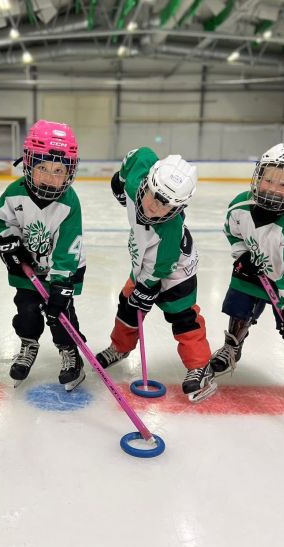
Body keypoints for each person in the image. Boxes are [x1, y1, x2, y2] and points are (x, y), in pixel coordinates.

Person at [95, 147, 215, 402]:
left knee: (182, 317)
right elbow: (141, 154)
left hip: (175, 272)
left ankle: (200, 366)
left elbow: (162, 267)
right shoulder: (135, 184)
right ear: (147, 182)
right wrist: (120, 178)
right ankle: (120, 347)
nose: (154, 206)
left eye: (166, 204)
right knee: (127, 305)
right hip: (144, 260)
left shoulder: (169, 230)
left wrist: (146, 288)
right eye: (153, 195)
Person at [209, 143, 284, 405]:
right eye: (268, 180)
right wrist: (242, 255)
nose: (272, 188)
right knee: (239, 306)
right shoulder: (240, 205)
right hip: (253, 271)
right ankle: (232, 345)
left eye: (283, 185)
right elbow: (232, 232)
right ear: (258, 176)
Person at [0, 119, 86, 391]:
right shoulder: (14, 193)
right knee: (27, 311)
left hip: (63, 269)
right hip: (27, 265)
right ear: (29, 163)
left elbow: (68, 246)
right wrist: (9, 242)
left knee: (61, 314)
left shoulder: (69, 203)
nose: (50, 177)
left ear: (69, 172)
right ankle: (28, 343)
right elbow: (0, 221)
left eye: (58, 170)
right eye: (42, 167)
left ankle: (70, 351)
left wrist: (61, 284)